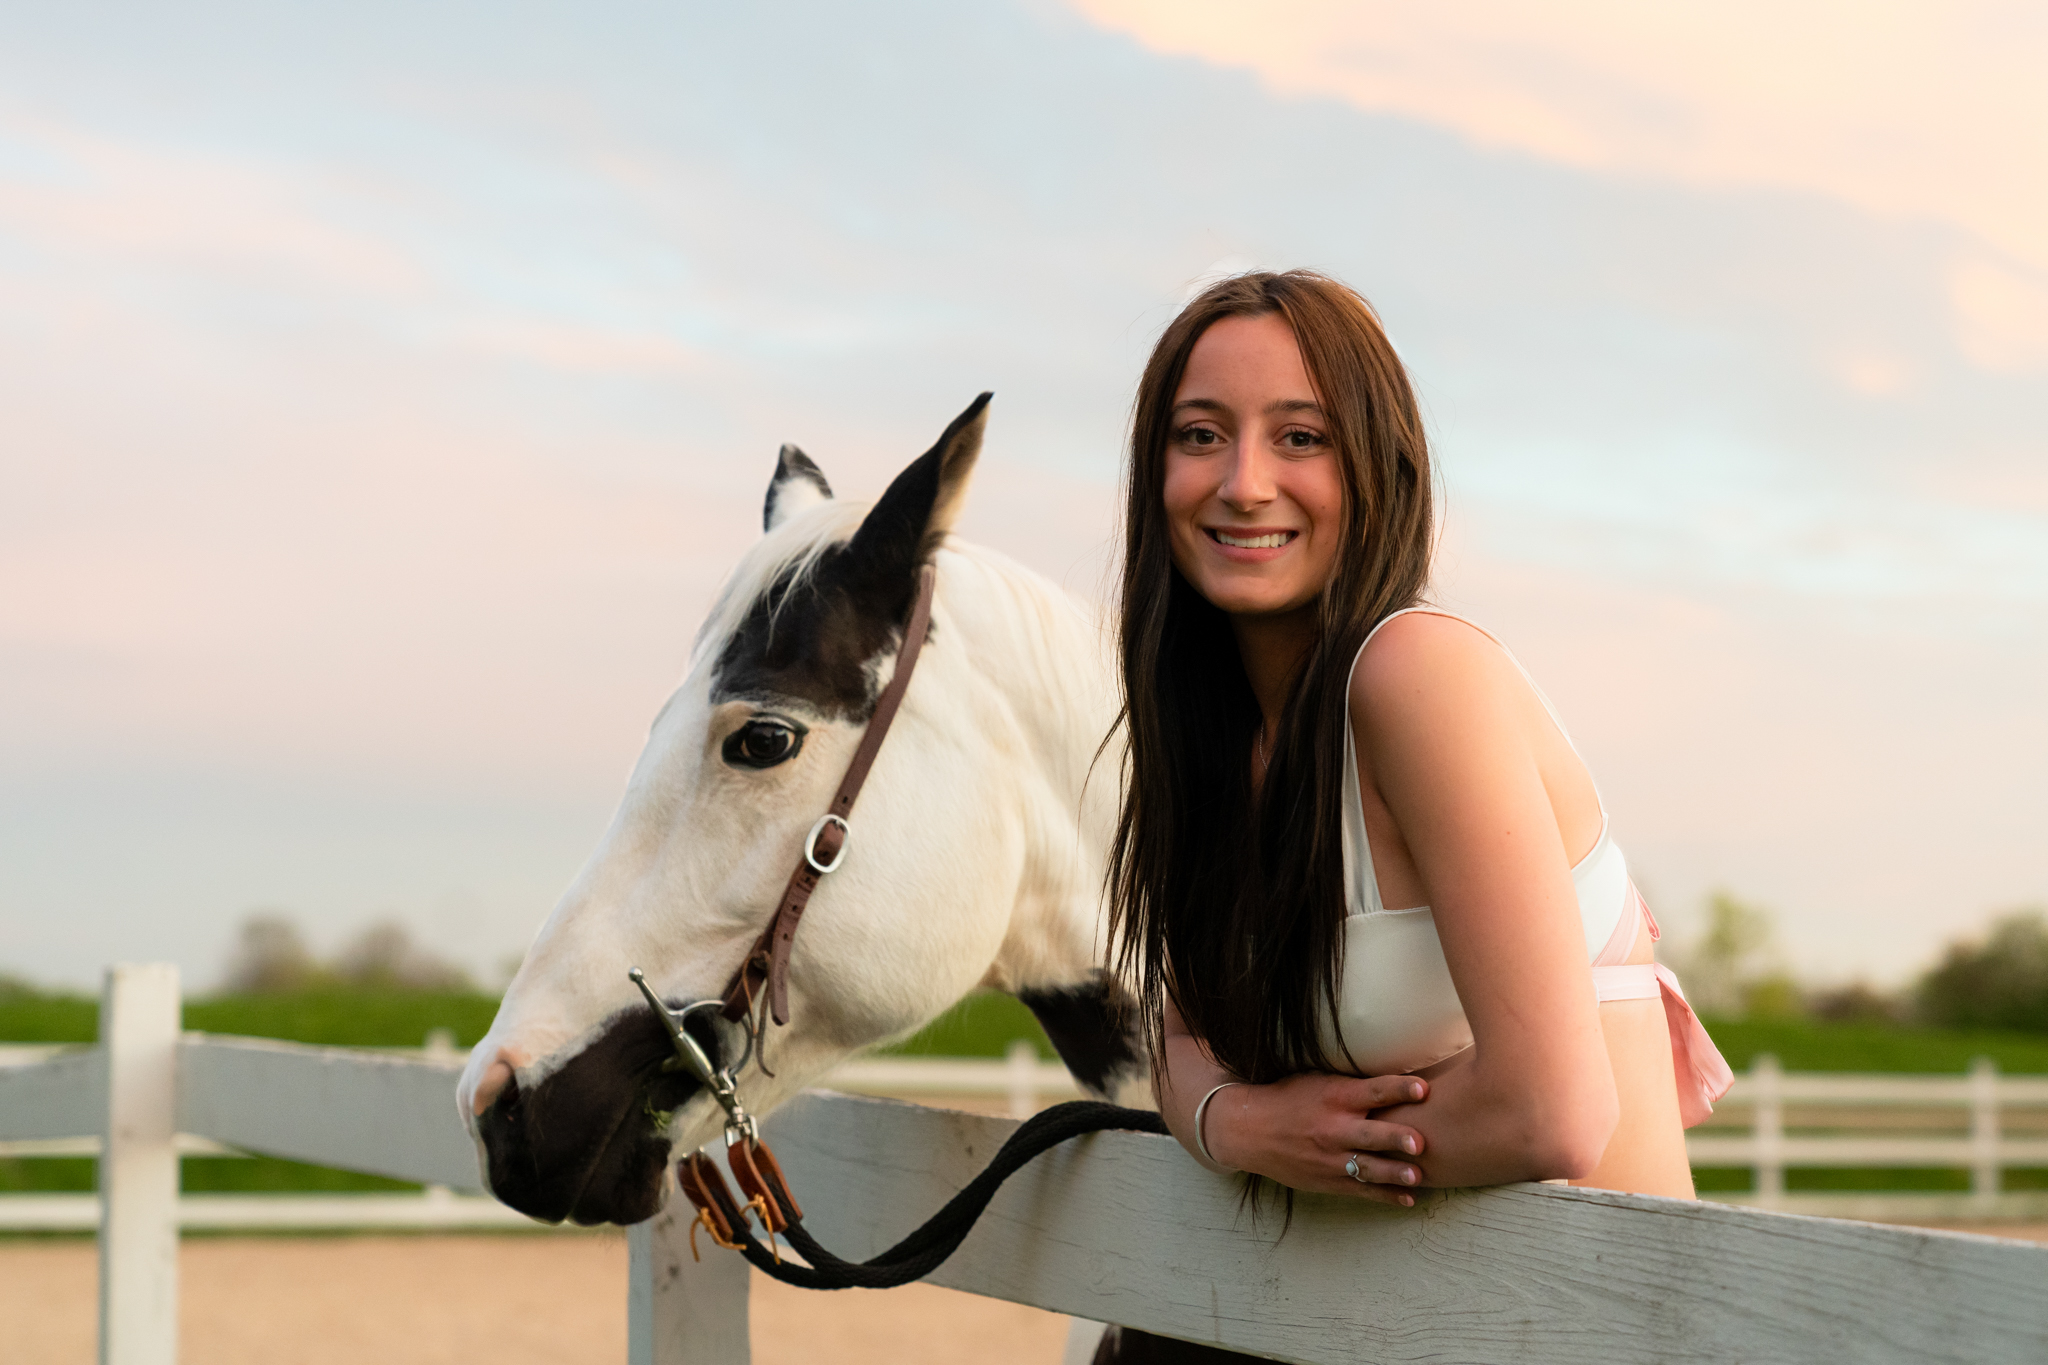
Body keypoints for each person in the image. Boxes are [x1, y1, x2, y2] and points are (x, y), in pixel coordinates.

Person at [1097, 270, 1732, 1362]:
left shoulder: (1413, 676)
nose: (1243, 483)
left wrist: (1303, 1143)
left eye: (1299, 438)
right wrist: (1243, 1123)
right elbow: (1177, 1038)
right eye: (1201, 435)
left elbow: (1551, 1116)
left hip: (1578, 1333)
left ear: (1376, 466)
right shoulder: (1209, 732)